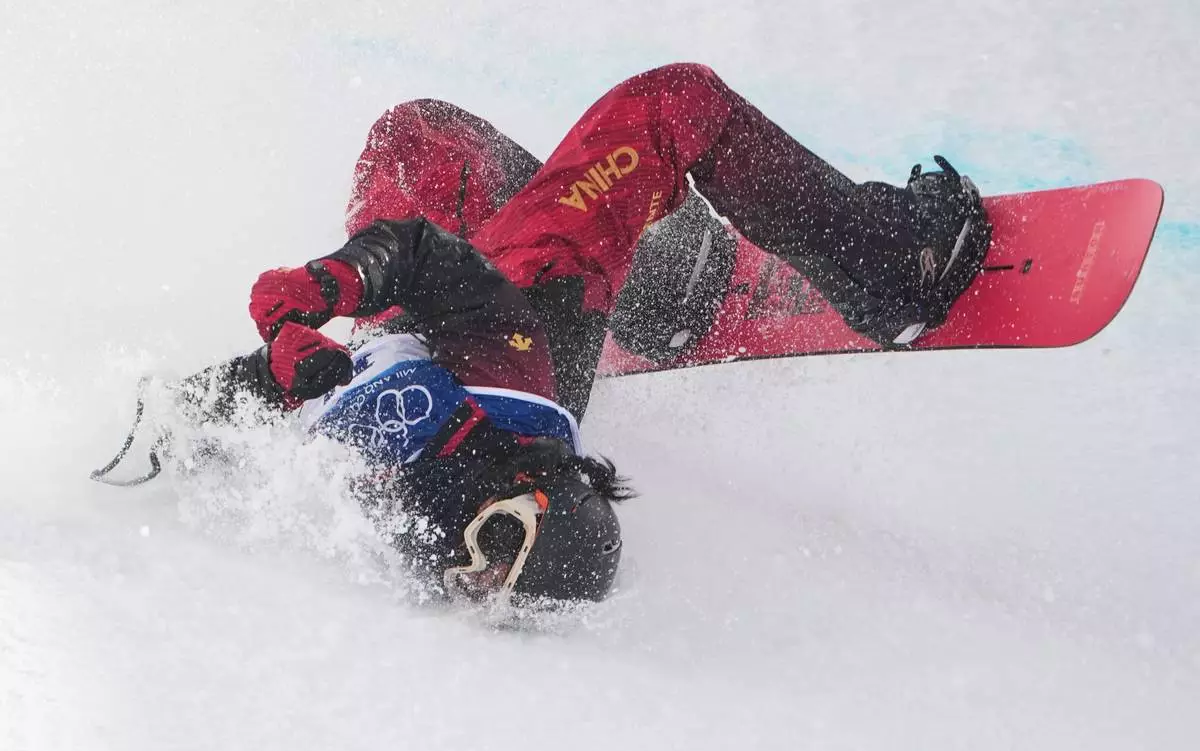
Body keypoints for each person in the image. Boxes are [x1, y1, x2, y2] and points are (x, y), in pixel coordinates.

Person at [179, 62, 991, 607]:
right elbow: (423, 257)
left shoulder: (400, 502)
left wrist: (209, 395)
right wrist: (320, 289)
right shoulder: (506, 371)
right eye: (496, 551)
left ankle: (667, 284)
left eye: (487, 560)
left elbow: (231, 405)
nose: (474, 571)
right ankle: (894, 270)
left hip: (417, 323)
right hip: (526, 292)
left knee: (414, 138)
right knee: (678, 102)